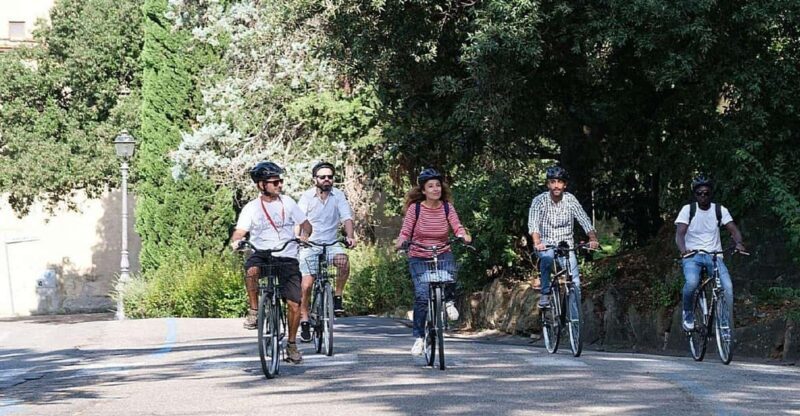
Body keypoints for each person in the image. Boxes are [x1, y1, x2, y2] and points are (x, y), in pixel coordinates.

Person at [230, 161, 312, 364]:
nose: (279, 185)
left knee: (294, 303)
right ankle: (254, 310)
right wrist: (237, 241)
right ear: (261, 185)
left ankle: (292, 345)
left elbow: (306, 225)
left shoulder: (288, 203)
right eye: (274, 182)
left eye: (280, 181)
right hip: (262, 252)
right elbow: (240, 231)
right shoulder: (251, 208)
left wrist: (304, 237)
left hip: (287, 254)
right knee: (251, 270)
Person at [395, 168, 472, 356]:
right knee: (422, 296)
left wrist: (462, 236)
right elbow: (405, 231)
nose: (436, 189)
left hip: (442, 250)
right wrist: (400, 242)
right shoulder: (416, 208)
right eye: (431, 186)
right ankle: (419, 338)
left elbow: (456, 226)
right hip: (419, 254)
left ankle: (448, 301)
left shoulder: (447, 207)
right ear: (423, 190)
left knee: (451, 274)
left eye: (438, 185)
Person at [674, 174, 746, 331]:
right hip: (692, 255)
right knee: (692, 282)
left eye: (706, 193)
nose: (703, 196)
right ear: (695, 194)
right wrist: (684, 251)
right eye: (699, 193)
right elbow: (680, 234)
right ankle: (688, 314)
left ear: (711, 194)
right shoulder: (688, 210)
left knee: (727, 286)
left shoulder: (719, 210)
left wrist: (738, 243)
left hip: (714, 255)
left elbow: (733, 229)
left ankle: (725, 323)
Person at [296, 161, 357, 343]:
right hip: (310, 244)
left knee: (343, 262)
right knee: (306, 285)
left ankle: (337, 295)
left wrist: (350, 236)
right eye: (322, 177)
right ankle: (305, 319)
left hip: (331, 242)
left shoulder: (338, 196)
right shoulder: (306, 197)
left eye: (330, 177)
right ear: (315, 179)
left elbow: (346, 217)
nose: (327, 180)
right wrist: (298, 238)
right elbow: (298, 219)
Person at [528, 166, 599, 308]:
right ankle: (545, 294)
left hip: (565, 243)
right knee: (547, 258)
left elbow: (583, 219)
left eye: (560, 182)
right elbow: (534, 224)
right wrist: (537, 242)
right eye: (552, 182)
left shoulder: (570, 200)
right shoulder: (539, 201)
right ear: (548, 184)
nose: (556, 185)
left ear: (564, 185)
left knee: (575, 282)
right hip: (546, 243)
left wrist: (592, 238)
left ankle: (574, 319)